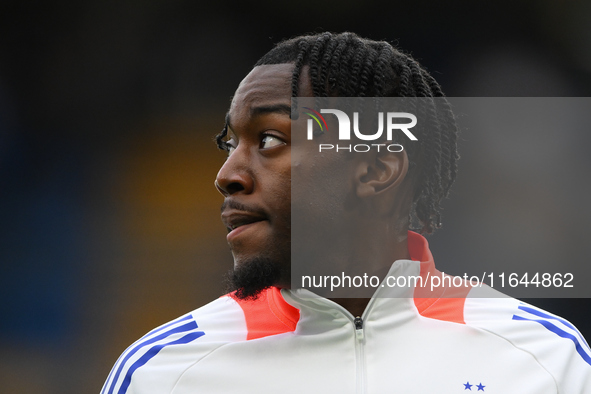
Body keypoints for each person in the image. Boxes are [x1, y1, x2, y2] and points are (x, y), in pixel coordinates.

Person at [101, 32, 591, 394]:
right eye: (230, 144)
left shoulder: (545, 360)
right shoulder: (163, 372)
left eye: (268, 140)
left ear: (377, 169)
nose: (227, 173)